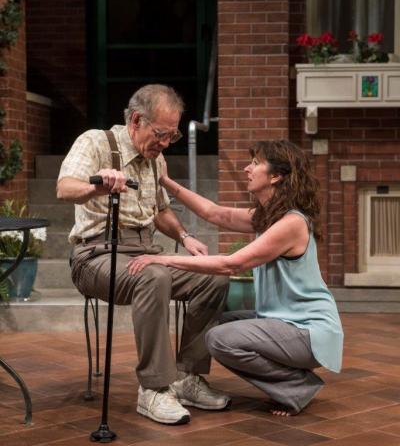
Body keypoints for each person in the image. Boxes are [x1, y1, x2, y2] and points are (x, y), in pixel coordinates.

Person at [127, 140, 344, 416]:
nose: (247, 168)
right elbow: (215, 213)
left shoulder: (291, 223)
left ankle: (296, 387)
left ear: (275, 176)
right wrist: (167, 182)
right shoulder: (269, 217)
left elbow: (231, 264)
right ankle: (285, 377)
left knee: (220, 338)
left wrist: (162, 258)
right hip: (284, 322)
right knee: (215, 323)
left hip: (310, 331)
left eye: (255, 163)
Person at [57, 84, 231, 426]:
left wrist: (185, 236)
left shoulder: (156, 159)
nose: (166, 143)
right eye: (161, 134)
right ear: (137, 120)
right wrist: (97, 185)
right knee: (154, 275)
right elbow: (64, 188)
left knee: (213, 275)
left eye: (173, 136)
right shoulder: (95, 142)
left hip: (144, 250)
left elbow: (161, 211)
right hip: (95, 255)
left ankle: (186, 378)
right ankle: (153, 388)